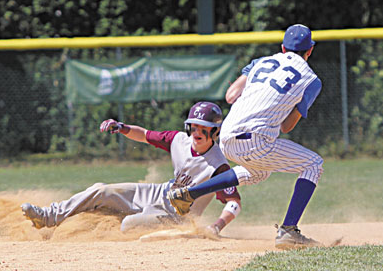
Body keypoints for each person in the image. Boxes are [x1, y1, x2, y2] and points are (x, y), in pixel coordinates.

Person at [167, 24, 324, 249]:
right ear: (310, 51)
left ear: (282, 48)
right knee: (313, 164)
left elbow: (231, 96)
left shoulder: (261, 62)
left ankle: (189, 193)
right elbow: (288, 126)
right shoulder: (312, 80)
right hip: (255, 139)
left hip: (227, 135)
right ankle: (289, 230)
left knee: (259, 172)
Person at [21, 101, 241, 236]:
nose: (197, 132)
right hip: (161, 192)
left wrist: (217, 226)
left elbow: (234, 202)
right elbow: (145, 135)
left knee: (128, 225)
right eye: (194, 127)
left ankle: (91, 222)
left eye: (204, 128)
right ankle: (49, 217)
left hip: (178, 216)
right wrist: (122, 127)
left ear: (215, 132)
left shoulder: (218, 165)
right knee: (101, 190)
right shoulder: (178, 140)